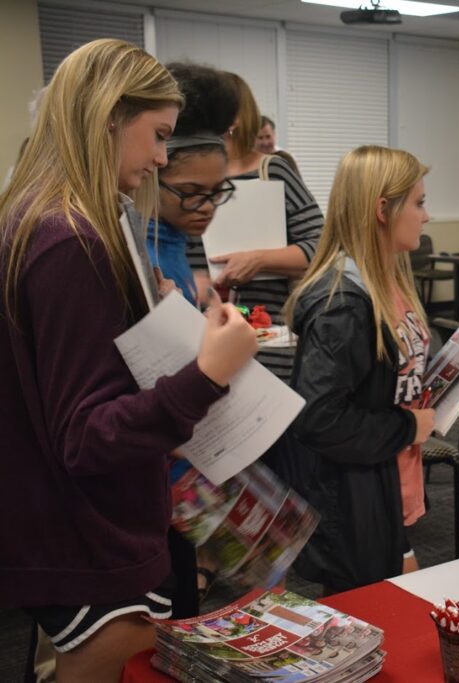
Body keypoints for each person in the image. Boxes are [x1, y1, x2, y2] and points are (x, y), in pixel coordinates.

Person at [0, 39, 257, 681]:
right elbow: (86, 436)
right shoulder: (71, 240)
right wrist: (208, 374)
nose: (162, 158)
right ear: (110, 117)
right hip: (89, 540)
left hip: (70, 530)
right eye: (159, 135)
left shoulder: (43, 219)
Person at [273, 145, 459, 594]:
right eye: (419, 203)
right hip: (353, 497)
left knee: (396, 620)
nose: (427, 216)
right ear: (381, 209)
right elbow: (320, 420)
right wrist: (406, 427)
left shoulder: (390, 280)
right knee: (377, 624)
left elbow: (393, 386)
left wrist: (454, 393)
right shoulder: (345, 302)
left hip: (389, 485)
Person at [186, 72, 323, 382]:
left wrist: (258, 260)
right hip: (197, 334)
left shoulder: (271, 170)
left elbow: (321, 248)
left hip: (266, 340)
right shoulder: (178, 175)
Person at [146, 62, 239, 305]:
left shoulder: (173, 244)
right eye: (190, 192)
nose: (208, 207)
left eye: (217, 191)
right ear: (150, 178)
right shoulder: (143, 261)